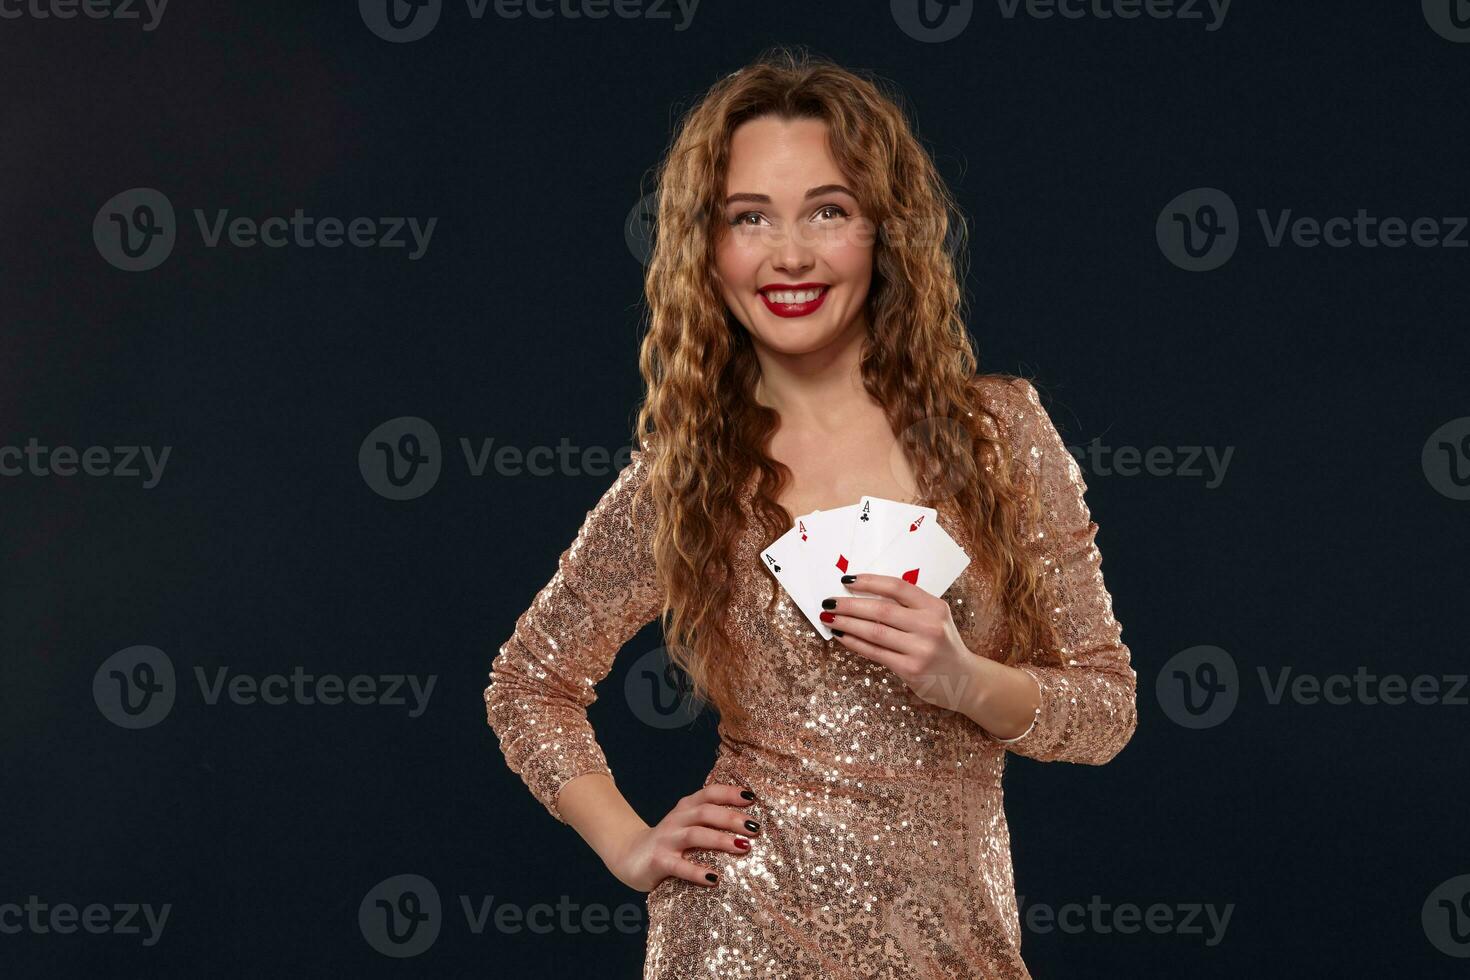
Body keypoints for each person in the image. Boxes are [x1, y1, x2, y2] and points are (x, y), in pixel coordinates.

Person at [484, 45, 1138, 979]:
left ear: (885, 230)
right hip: (736, 935)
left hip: (955, 942)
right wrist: (629, 844)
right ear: (708, 248)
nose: (789, 254)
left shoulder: (1000, 433)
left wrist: (963, 678)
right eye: (749, 218)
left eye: (827, 211)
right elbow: (528, 684)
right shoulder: (688, 473)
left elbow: (1106, 711)